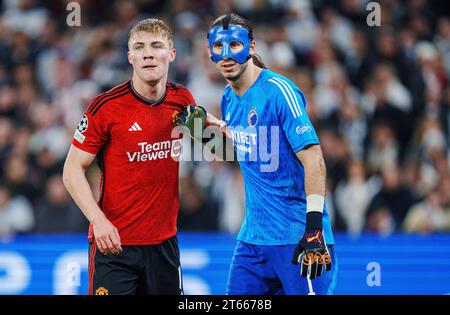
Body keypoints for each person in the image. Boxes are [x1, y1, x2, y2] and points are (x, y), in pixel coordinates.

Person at [199, 13, 338, 294]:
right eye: (218, 48)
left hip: (298, 238)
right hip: (253, 240)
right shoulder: (227, 97)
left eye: (234, 46)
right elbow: (244, 156)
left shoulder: (279, 92)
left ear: (251, 46)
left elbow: (313, 158)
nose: (226, 55)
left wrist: (314, 230)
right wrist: (200, 132)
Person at [62, 18, 197, 295]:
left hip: (164, 246)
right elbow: (72, 170)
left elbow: (218, 148)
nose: (148, 53)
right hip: (115, 245)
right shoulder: (105, 107)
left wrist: (220, 129)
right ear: (130, 57)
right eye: (140, 47)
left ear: (171, 54)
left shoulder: (183, 100)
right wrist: (98, 221)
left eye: (156, 45)